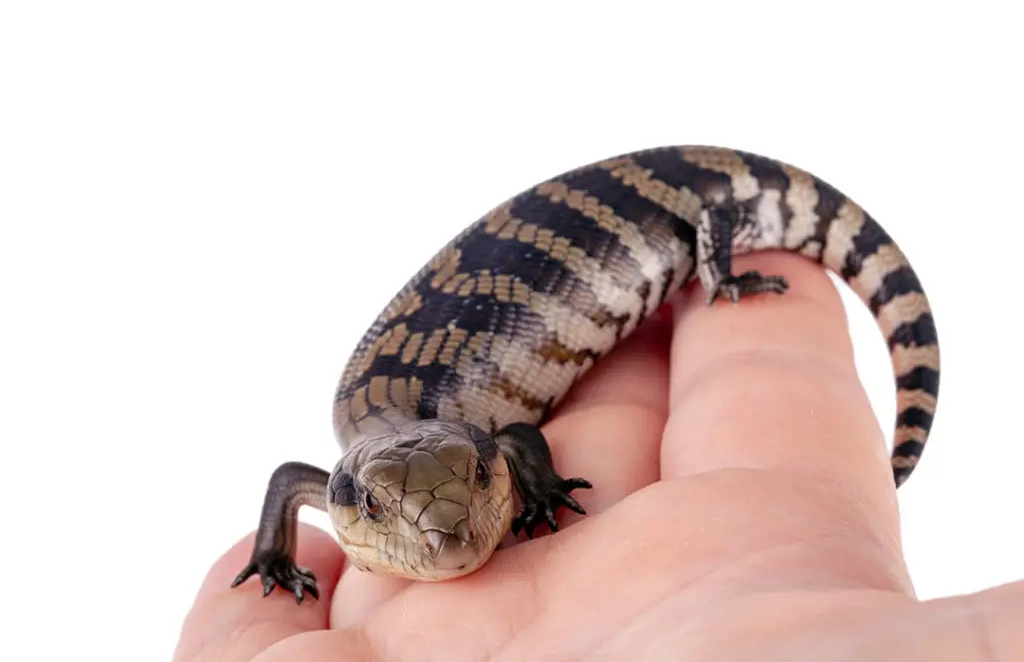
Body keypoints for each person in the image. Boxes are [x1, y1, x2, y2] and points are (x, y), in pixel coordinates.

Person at [174, 254, 1022, 661]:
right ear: (354, 503)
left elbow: (514, 439)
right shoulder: (346, 481)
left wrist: (532, 489)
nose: (446, 540)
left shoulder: (487, 447)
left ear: (484, 464)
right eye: (391, 520)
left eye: (481, 486)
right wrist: (273, 553)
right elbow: (292, 484)